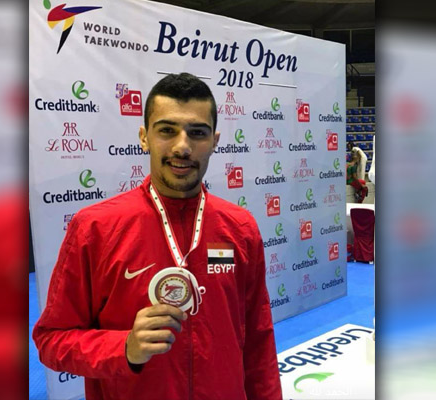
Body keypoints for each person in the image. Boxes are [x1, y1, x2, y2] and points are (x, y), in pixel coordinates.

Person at [32, 73, 283, 400]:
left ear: (215, 141)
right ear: (144, 137)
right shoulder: (95, 228)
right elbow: (52, 339)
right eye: (167, 130)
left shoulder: (240, 226)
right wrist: (123, 347)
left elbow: (259, 339)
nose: (182, 146)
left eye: (197, 133)